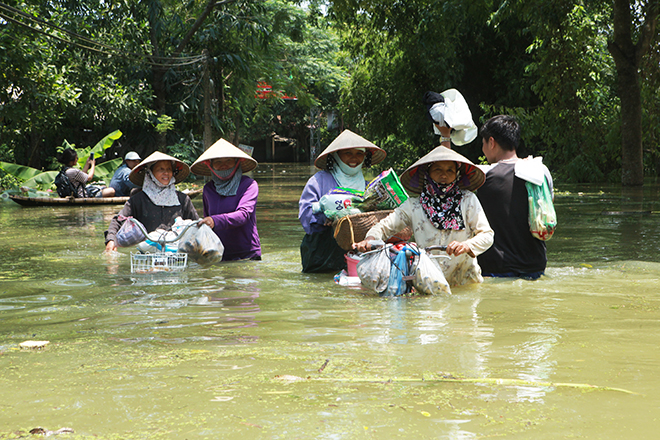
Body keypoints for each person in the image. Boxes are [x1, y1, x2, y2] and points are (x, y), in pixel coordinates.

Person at [353, 146, 493, 286]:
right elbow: (385, 226)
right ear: (427, 173)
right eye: (438, 169)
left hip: (466, 281)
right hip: (428, 282)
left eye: (450, 170)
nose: (444, 175)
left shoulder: (468, 200)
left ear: (456, 174)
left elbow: (487, 235)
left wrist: (467, 245)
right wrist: (370, 239)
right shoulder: (414, 205)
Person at [476, 115, 553, 279]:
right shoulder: (541, 171)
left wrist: (445, 135)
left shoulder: (483, 175)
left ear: (491, 142)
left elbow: (447, 175)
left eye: (483, 144)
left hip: (495, 267)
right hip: (535, 265)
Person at [298, 129, 386, 273]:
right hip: (321, 254)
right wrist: (324, 218)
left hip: (357, 255)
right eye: (348, 153)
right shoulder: (319, 181)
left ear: (365, 156)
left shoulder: (369, 187)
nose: (354, 159)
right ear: (336, 156)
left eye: (359, 154)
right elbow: (305, 214)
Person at [104, 151, 199, 252]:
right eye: (161, 169)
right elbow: (119, 220)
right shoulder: (138, 200)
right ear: (151, 173)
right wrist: (111, 239)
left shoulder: (182, 199)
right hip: (148, 253)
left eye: (169, 169)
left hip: (177, 254)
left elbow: (196, 224)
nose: (166, 173)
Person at [190, 139, 262, 261]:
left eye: (228, 161)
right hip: (219, 254)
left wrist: (214, 221)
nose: (224, 165)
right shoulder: (208, 189)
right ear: (210, 165)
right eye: (218, 162)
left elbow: (243, 215)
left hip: (247, 254)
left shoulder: (249, 185)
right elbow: (208, 221)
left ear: (236, 163)